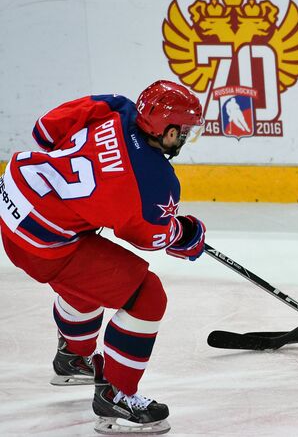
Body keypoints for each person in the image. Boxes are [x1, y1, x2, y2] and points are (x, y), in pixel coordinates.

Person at [0, 80, 206, 434]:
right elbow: (151, 237)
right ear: (168, 130)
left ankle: (73, 357)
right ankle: (117, 394)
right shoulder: (155, 180)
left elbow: (45, 132)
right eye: (184, 131)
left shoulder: (115, 107)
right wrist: (187, 234)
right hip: (42, 243)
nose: (186, 138)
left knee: (90, 270)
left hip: (14, 196)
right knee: (146, 294)